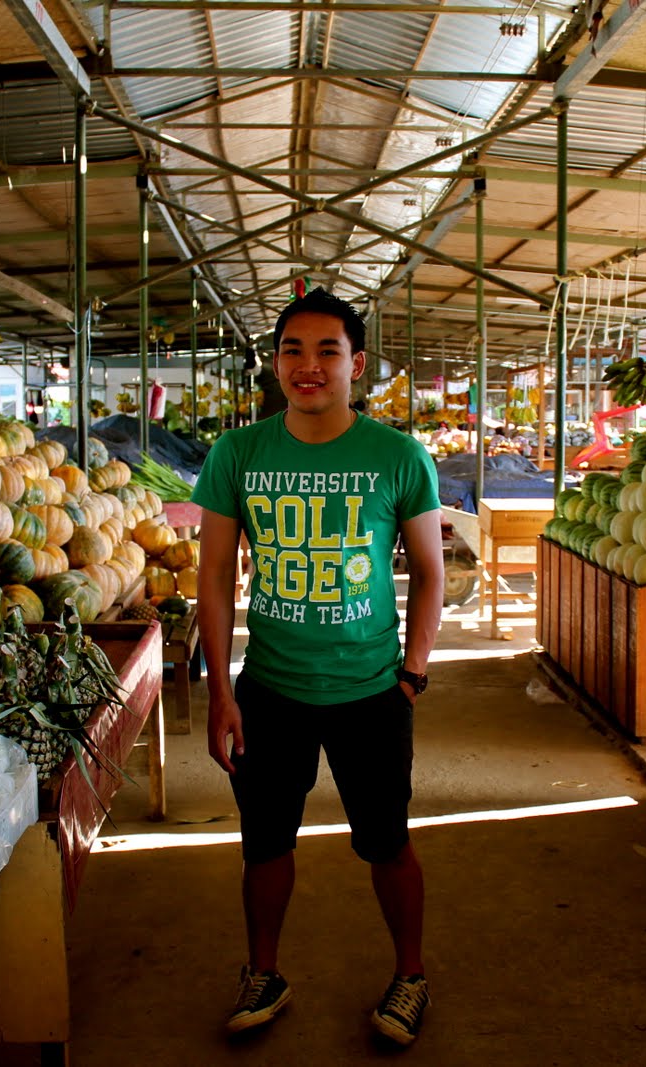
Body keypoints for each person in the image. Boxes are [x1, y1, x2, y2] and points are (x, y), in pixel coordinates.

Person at [192, 287, 444, 1046]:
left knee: (388, 840)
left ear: (356, 365)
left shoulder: (398, 456)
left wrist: (413, 671)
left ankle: (411, 975)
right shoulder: (237, 454)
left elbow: (430, 571)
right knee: (265, 843)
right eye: (292, 350)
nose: (308, 365)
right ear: (275, 364)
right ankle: (263, 971)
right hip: (270, 690)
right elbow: (213, 575)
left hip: (372, 690)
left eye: (327, 350)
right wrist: (220, 690)